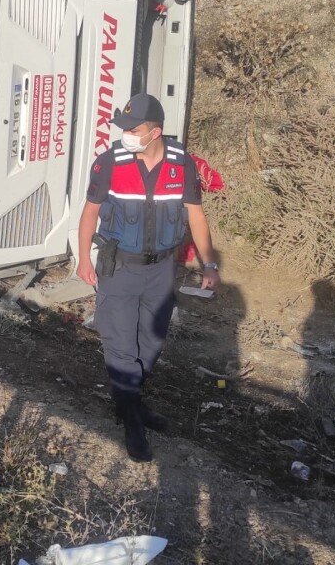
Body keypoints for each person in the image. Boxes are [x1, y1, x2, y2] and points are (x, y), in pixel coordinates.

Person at [76, 93, 219, 462]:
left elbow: (196, 216)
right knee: (121, 343)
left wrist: (209, 264)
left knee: (151, 344)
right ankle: (133, 422)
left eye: (133, 128)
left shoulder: (181, 164)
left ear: (155, 132)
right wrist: (82, 259)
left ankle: (129, 404)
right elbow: (90, 213)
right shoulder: (109, 162)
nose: (125, 134)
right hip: (119, 268)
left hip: (161, 270)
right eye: (124, 127)